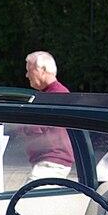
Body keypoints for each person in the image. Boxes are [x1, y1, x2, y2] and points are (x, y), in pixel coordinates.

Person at [20, 50, 73, 179]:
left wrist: (18, 124)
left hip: (52, 162)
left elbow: (35, 127)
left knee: (28, 191)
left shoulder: (56, 96)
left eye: (29, 70)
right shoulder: (51, 94)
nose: (27, 75)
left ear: (43, 70)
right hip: (49, 161)